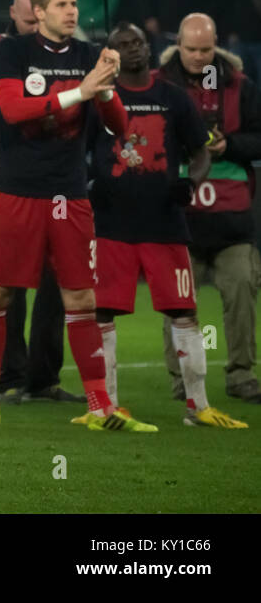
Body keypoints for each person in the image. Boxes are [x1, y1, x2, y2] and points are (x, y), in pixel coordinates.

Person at [0, 0, 140, 430]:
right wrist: (82, 90)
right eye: (62, 4)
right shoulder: (12, 53)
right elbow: (12, 112)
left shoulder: (89, 56)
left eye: (74, 3)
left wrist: (107, 87)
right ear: (39, 12)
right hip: (16, 190)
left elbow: (119, 127)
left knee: (81, 297)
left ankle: (99, 408)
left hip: (70, 193)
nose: (72, 11)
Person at [90, 23, 246, 428]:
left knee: (184, 313)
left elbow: (201, 151)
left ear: (149, 47)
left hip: (165, 224)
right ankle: (107, 406)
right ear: (110, 55)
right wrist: (88, 184)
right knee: (102, 315)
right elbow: (77, 152)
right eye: (122, 44)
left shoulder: (173, 98)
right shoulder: (99, 100)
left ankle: (198, 407)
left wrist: (189, 183)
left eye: (138, 42)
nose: (132, 49)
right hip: (111, 225)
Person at [0, 0, 80, 404]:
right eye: (29, 11)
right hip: (12, 182)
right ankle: (10, 378)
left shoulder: (73, 53)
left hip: (62, 185)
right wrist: (37, 121)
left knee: (57, 283)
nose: (37, 16)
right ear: (15, 14)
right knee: (6, 284)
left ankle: (44, 378)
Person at [156, 13, 261, 404]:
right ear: (177, 45)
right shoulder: (159, 86)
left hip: (233, 222)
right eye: (191, 49)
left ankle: (242, 376)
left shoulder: (241, 86)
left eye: (206, 49)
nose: (199, 57)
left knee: (241, 296)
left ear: (216, 44)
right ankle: (183, 380)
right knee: (177, 304)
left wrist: (228, 146)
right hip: (180, 221)